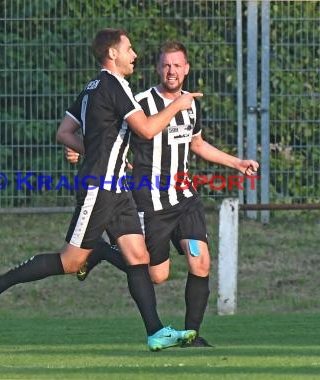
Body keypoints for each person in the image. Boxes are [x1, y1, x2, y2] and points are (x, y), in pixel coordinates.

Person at [0, 29, 203, 351]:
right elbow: (148, 129)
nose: (134, 55)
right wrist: (178, 105)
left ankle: (155, 331)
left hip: (118, 189)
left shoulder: (91, 88)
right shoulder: (114, 85)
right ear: (113, 54)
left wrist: (91, 150)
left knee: (139, 258)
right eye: (129, 48)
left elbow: (64, 132)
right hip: (99, 189)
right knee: (69, 262)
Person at [66, 41, 259, 347]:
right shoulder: (140, 102)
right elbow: (105, 135)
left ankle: (192, 335)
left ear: (187, 69)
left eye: (177, 65)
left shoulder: (191, 103)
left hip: (184, 197)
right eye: (166, 65)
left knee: (201, 262)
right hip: (149, 201)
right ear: (157, 68)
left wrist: (237, 163)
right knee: (156, 276)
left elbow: (197, 144)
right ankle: (101, 251)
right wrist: (83, 152)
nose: (172, 71)